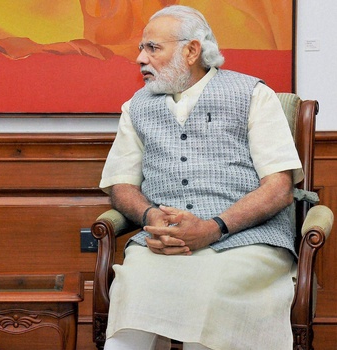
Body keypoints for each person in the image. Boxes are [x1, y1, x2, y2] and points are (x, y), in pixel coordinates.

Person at [99, 5, 302, 350]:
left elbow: (280, 188)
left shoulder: (253, 95)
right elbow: (121, 184)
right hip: (165, 244)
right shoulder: (136, 106)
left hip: (248, 242)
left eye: (152, 48)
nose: (140, 58)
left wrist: (212, 228)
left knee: (212, 291)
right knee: (135, 286)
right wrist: (152, 217)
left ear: (191, 51)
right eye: (140, 48)